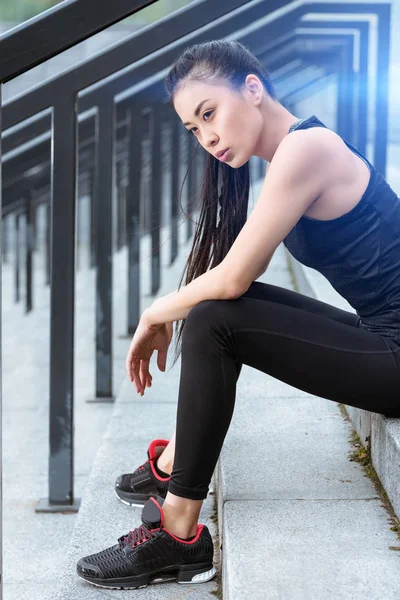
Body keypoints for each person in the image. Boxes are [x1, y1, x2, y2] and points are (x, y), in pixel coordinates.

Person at [77, 39, 400, 589]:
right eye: (194, 129)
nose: (207, 138)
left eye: (209, 114)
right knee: (216, 311)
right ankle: (178, 460)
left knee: (213, 316)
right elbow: (231, 283)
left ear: (252, 89)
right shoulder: (288, 155)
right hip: (383, 336)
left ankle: (178, 533)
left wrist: (155, 313)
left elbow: (233, 277)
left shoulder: (308, 149)